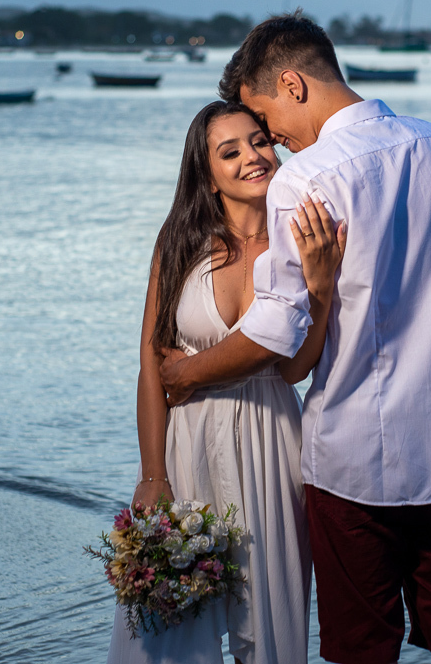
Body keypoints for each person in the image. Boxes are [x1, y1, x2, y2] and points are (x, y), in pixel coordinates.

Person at [159, 12, 431, 664]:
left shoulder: (308, 177)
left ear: (292, 83)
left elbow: (276, 330)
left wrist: (189, 373)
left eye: (267, 118)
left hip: (356, 462)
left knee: (360, 649)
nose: (275, 140)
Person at [107, 100, 345, 664]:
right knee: (169, 620)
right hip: (188, 442)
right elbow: (151, 365)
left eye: (259, 141)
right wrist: (152, 474)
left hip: (272, 443)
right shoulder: (179, 245)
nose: (252, 157)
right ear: (207, 176)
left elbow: (292, 369)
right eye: (229, 151)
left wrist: (321, 289)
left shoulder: (297, 241)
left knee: (269, 628)